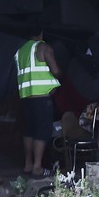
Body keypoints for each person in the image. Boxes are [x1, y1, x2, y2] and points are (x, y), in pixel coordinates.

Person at [14, 31, 62, 178]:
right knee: (42, 132)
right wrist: (60, 73)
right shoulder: (43, 47)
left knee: (29, 131)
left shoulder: (20, 52)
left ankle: (28, 164)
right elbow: (55, 70)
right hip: (41, 98)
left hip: (26, 97)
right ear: (41, 34)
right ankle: (37, 167)